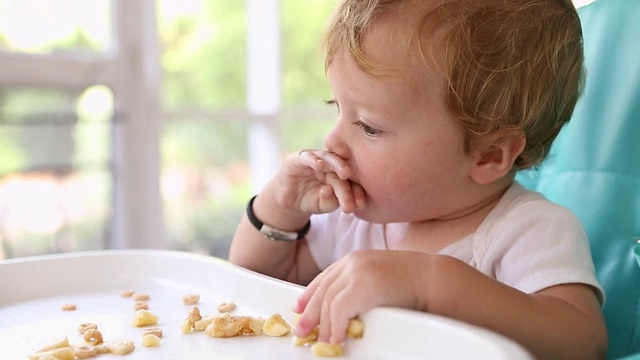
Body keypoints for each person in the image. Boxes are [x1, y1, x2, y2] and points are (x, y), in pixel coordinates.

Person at [229, 0, 607, 358]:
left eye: (369, 126)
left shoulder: (528, 231)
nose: (331, 140)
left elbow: (582, 342)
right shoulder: (347, 220)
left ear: (489, 154)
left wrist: (429, 283)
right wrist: (279, 208)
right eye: (337, 107)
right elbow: (250, 287)